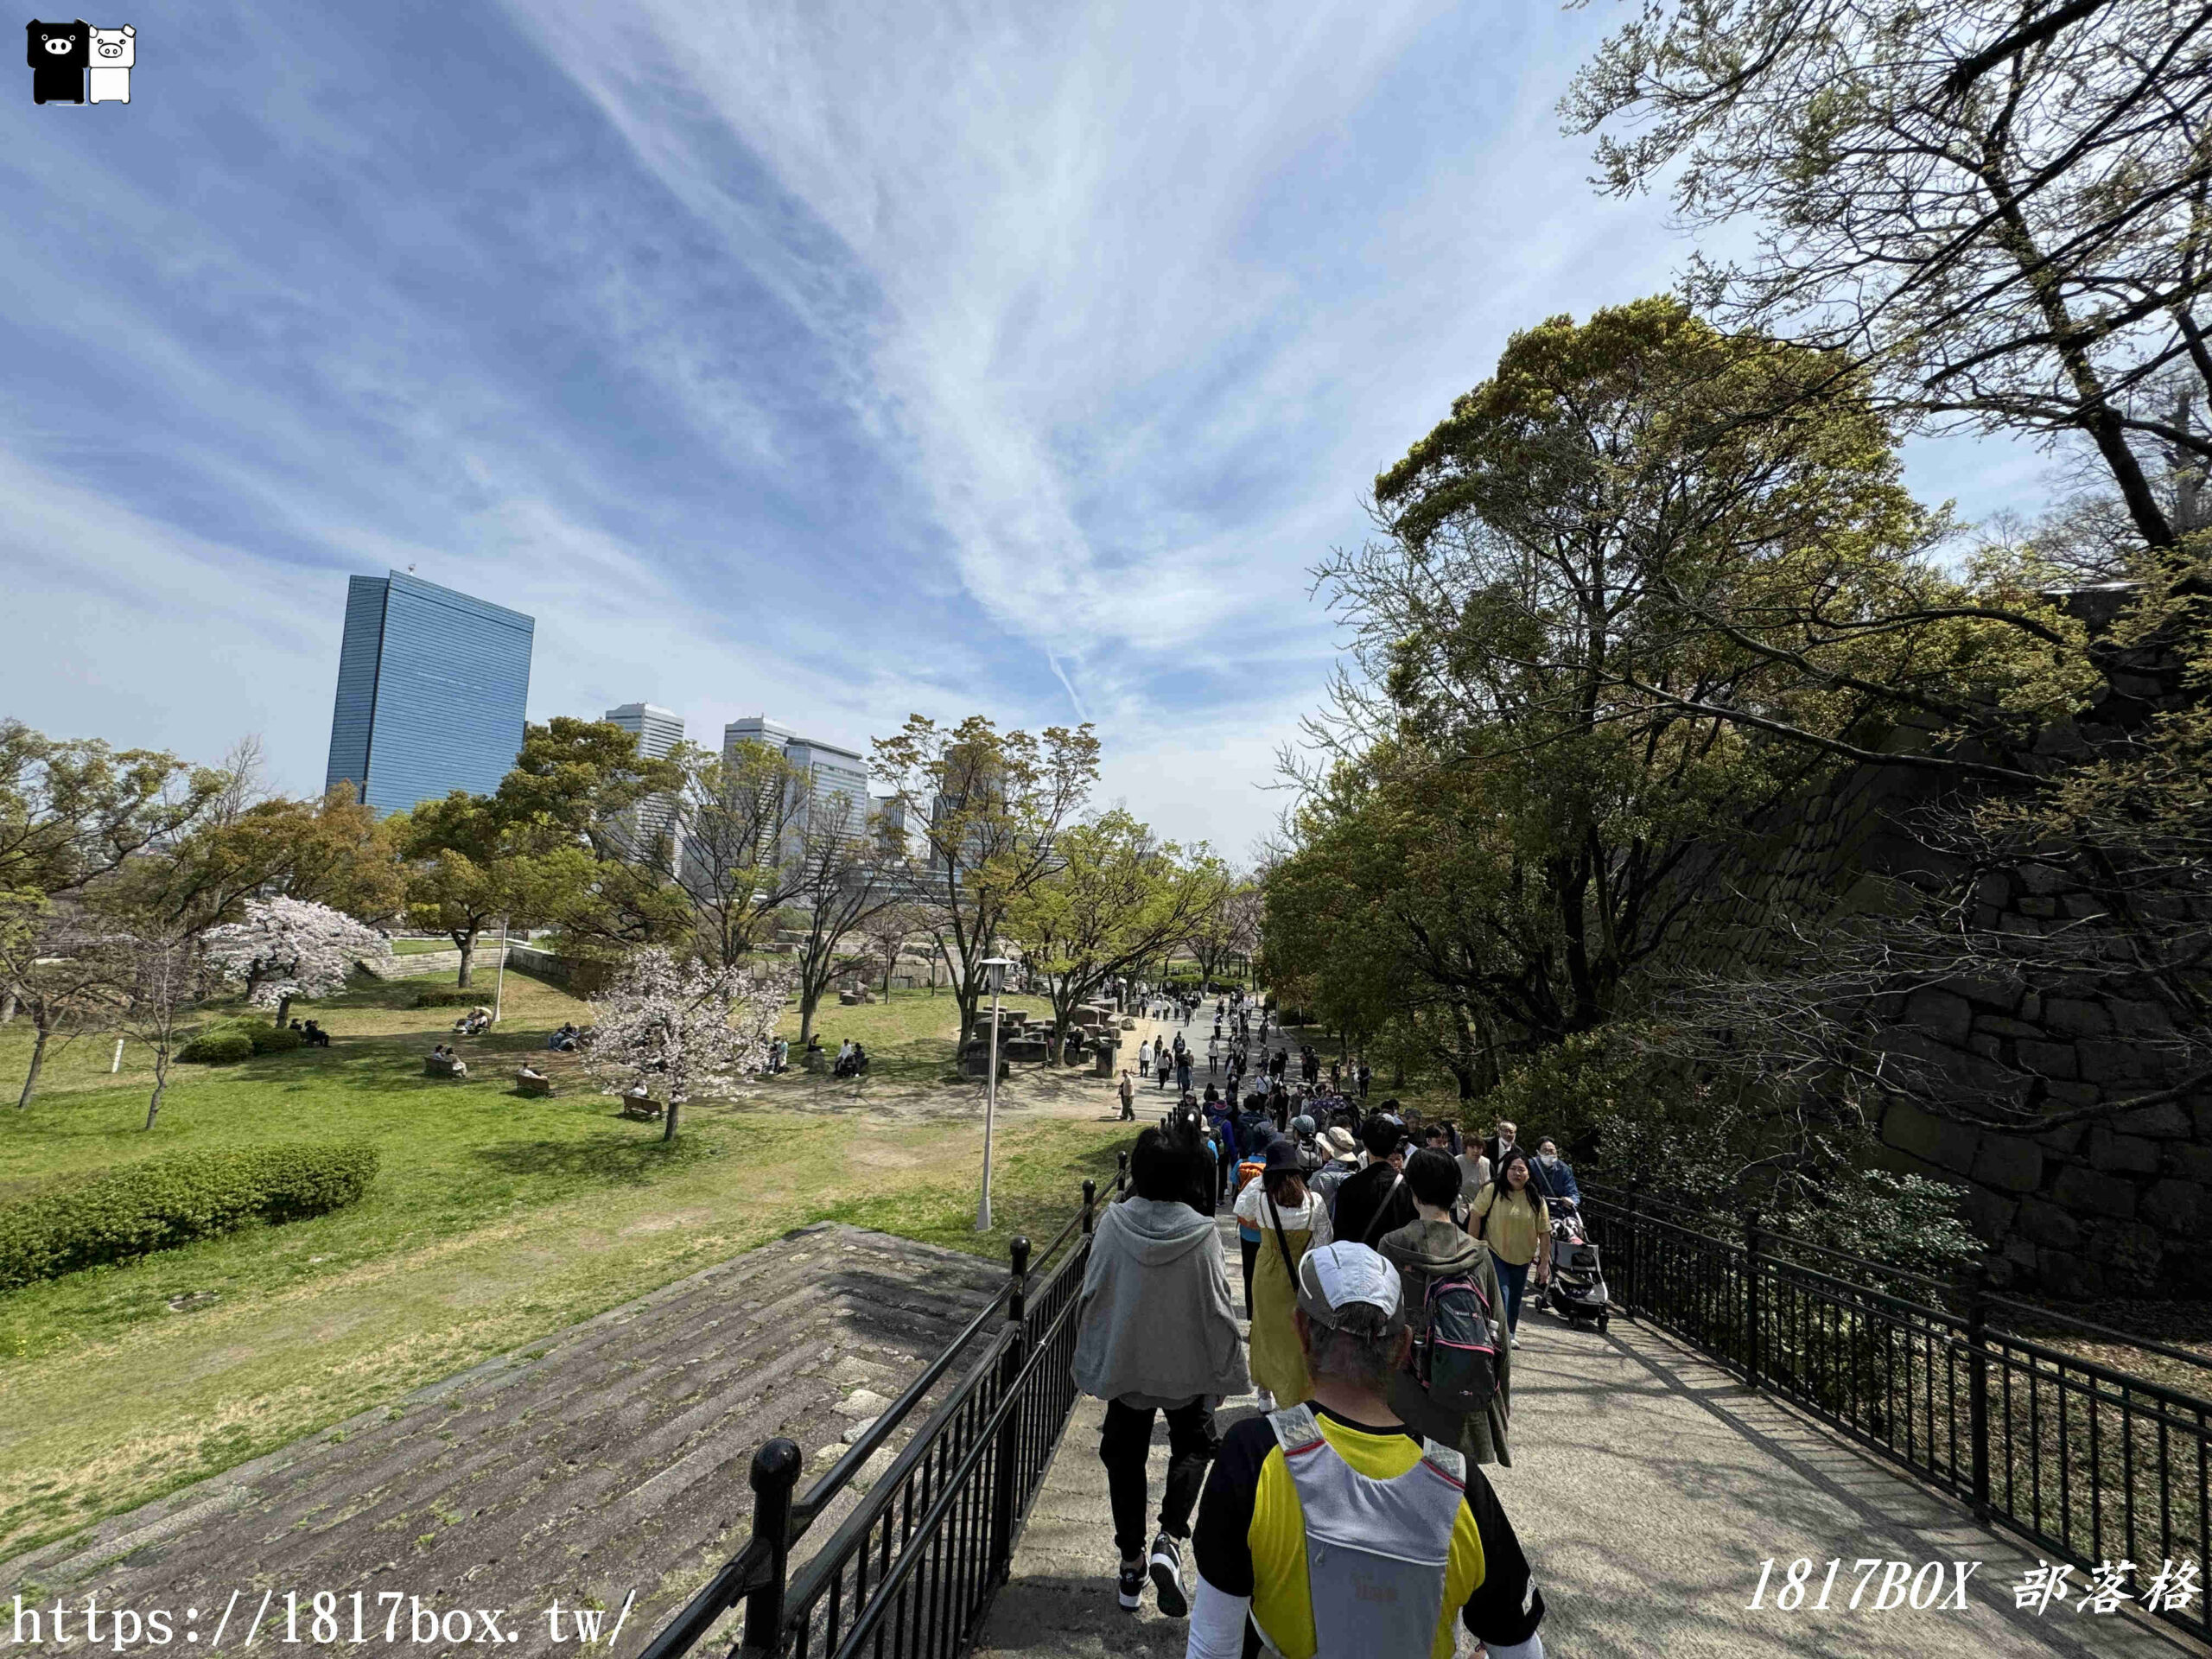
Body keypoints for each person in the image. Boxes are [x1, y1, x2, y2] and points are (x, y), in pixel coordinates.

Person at [1182, 1243, 1548, 1659]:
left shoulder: (1252, 1455)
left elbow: (1213, 1646)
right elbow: (1520, 1649)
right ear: (1403, 1347)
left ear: (1300, 1330)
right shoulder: (1461, 1485)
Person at [1379, 1149, 1513, 1467]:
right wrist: (1499, 1413)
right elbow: (1501, 1338)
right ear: (1455, 1194)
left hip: (1403, 1397)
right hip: (1463, 1400)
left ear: (1412, 1191)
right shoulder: (1477, 1254)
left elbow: (1377, 1325)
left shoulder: (1392, 1246)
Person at [1236, 1138, 1333, 1413]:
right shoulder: (1314, 1203)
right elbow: (1324, 1242)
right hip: (1300, 1279)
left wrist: (1260, 1182)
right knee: (1296, 1336)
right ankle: (1294, 1392)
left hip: (1266, 1274)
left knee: (1265, 1332)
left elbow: (1240, 1210)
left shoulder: (1261, 1197)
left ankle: (1264, 1394)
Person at [1470, 1151, 1550, 1346]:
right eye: (1513, 1168)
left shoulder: (1536, 1198)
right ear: (1505, 1170)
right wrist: (1472, 1247)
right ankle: (1498, 1334)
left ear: (1529, 1173)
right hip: (1494, 1251)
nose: (1517, 1173)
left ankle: (1510, 1332)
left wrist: (1544, 1263)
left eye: (1521, 1169)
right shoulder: (1492, 1190)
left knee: (1515, 1297)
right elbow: (1476, 1216)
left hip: (1523, 1257)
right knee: (1502, 1292)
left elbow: (1545, 1231)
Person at [1330, 1116, 1418, 1248]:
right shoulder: (1407, 1187)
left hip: (1360, 1263)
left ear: (1365, 1144)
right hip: (1396, 1262)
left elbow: (1341, 1237)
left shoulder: (1349, 1186)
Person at [1308, 1127, 1361, 1216]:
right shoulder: (1355, 1176)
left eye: (1323, 1147)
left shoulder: (1320, 1177)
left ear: (1329, 1151)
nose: (1322, 1149)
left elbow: (1310, 1207)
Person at [1530, 1137, 1581, 1206]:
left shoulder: (1564, 1169)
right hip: (1534, 1206)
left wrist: (1571, 1200)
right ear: (1538, 1152)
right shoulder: (1529, 1165)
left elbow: (1573, 1192)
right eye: (1545, 1150)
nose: (1548, 1153)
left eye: (1552, 1150)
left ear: (1556, 1152)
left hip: (1557, 1209)